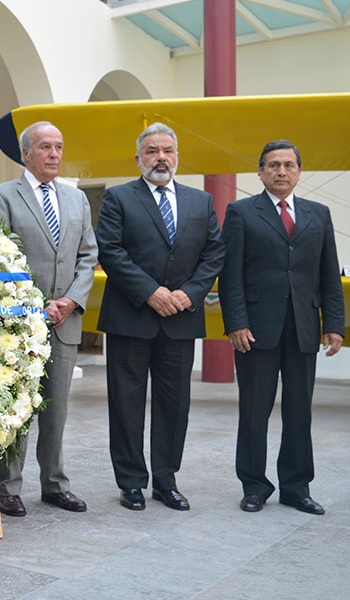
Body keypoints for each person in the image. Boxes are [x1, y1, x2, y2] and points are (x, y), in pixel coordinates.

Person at [96, 123, 224, 512]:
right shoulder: (118, 198)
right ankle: (131, 483)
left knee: (174, 404)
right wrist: (150, 292)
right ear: (138, 159)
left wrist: (190, 293)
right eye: (152, 151)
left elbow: (214, 253)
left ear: (178, 157)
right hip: (131, 317)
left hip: (181, 319)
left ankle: (166, 481)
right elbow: (111, 250)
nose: (161, 157)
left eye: (167, 150)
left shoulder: (200, 202)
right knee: (126, 404)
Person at [219, 140, 344, 515]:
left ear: (299, 171)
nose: (281, 171)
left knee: (298, 410)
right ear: (260, 172)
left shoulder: (318, 214)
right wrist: (236, 322)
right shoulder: (241, 213)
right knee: (254, 410)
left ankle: (296, 486)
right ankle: (254, 486)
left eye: (289, 165)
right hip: (256, 329)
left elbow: (329, 275)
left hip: (304, 326)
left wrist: (334, 324)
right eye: (273, 165)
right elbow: (231, 276)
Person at [0, 121, 98, 517]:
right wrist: (35, 303)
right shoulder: (2, 196)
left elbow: (88, 257)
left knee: (56, 410)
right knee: (16, 407)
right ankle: (8, 487)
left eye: (59, 147)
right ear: (26, 154)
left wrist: (70, 300)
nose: (54, 154)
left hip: (65, 323)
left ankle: (54, 484)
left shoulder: (76, 200)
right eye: (45, 147)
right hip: (19, 323)